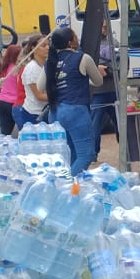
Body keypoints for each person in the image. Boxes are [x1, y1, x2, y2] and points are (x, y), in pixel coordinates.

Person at [45, 27, 107, 174]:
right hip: (75, 110)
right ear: (70, 42)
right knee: (86, 155)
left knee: (70, 153)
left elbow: (42, 86)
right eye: (74, 36)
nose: (77, 39)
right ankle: (68, 183)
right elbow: (98, 81)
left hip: (54, 112)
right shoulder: (83, 58)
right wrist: (84, 80)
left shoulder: (50, 61)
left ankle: (69, 183)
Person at [16, 35, 50, 130]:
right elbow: (39, 95)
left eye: (48, 45)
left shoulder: (46, 65)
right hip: (34, 114)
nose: (47, 48)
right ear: (33, 48)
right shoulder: (32, 68)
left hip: (46, 111)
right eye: (43, 45)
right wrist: (60, 97)